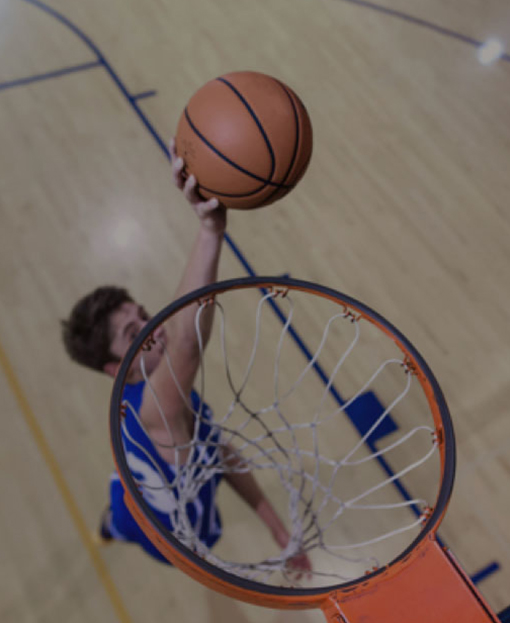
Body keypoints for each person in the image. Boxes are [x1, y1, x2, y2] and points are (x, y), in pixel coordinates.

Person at [62, 140, 311, 573]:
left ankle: (109, 522)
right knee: (121, 524)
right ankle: (110, 528)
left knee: (123, 503)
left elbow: (219, 450)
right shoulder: (157, 408)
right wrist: (210, 231)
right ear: (117, 369)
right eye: (134, 333)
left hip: (143, 483)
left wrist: (275, 524)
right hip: (162, 536)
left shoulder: (163, 399)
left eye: (143, 314)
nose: (153, 326)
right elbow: (186, 341)